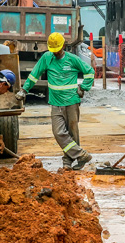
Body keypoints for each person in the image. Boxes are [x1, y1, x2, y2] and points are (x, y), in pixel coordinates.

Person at [18, 32, 95, 170]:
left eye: (57, 50)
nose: (55, 53)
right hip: (55, 102)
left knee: (72, 133)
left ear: (64, 46)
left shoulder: (72, 59)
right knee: (58, 132)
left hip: (72, 101)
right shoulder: (47, 58)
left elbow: (89, 71)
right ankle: (81, 154)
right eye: (53, 50)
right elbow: (34, 75)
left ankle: (68, 161)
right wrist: (24, 90)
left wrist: (83, 87)